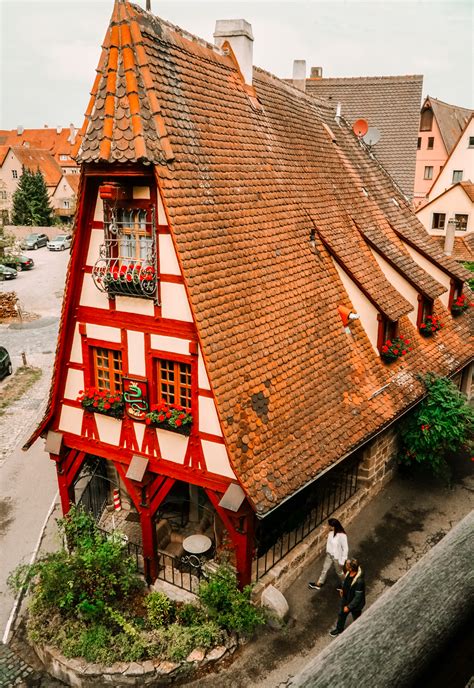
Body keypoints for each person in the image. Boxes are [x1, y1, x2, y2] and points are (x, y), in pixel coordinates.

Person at [329, 558, 366, 637]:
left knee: (357, 618)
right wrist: (343, 589)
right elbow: (347, 582)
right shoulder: (349, 572)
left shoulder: (359, 581)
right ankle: (339, 629)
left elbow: (358, 598)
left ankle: (360, 632)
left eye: (347, 565)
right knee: (341, 614)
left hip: (354, 604)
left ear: (351, 568)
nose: (345, 566)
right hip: (346, 599)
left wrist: (349, 607)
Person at [308, 518, 348, 590]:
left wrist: (343, 561)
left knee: (339, 572)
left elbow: (345, 549)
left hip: (337, 557)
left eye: (328, 525)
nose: (327, 526)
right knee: (324, 569)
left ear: (333, 526)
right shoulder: (331, 533)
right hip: (329, 555)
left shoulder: (342, 536)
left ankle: (345, 584)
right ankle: (319, 583)